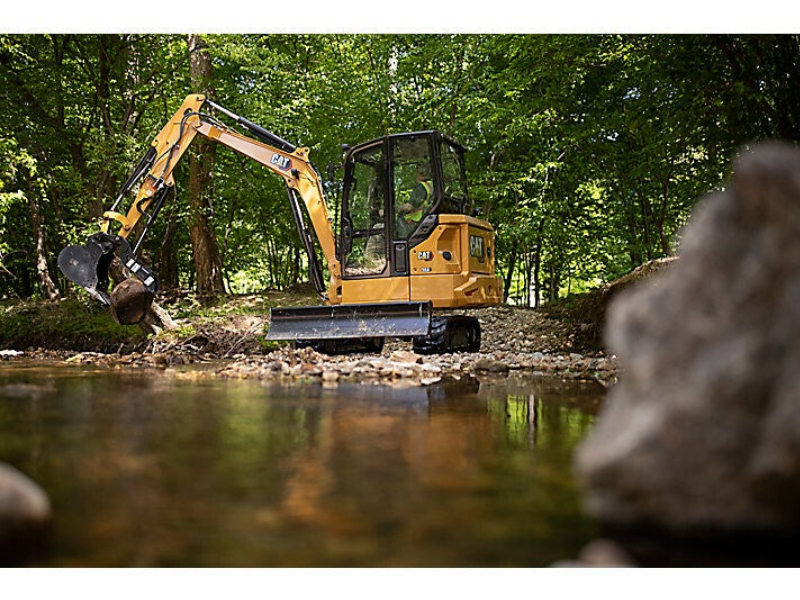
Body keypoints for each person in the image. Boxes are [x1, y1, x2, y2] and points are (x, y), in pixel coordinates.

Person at [396, 168, 433, 238]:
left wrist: (392, 209)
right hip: (427, 219)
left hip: (417, 221)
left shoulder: (421, 187)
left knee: (398, 220)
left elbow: (409, 207)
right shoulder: (433, 185)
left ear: (420, 174)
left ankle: (404, 244)